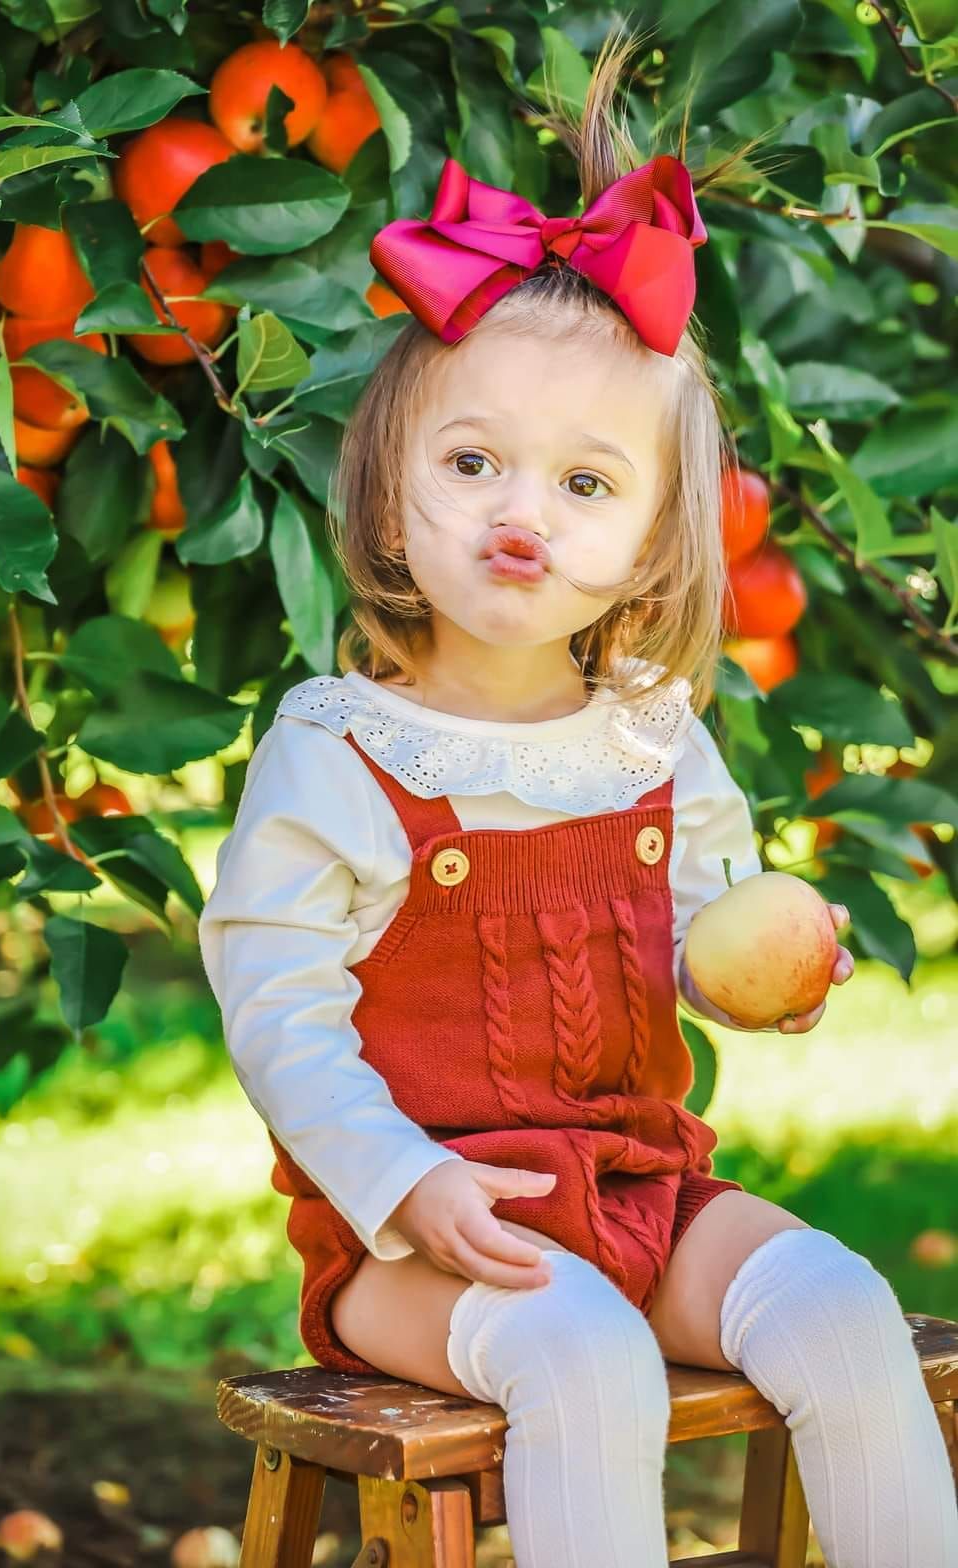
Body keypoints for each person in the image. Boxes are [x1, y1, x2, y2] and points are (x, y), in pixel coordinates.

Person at [198, 30, 958, 1568]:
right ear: (391, 488)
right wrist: (404, 1182)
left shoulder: (649, 740)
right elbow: (275, 1004)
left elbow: (702, 936)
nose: (521, 514)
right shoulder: (344, 748)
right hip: (421, 1238)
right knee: (584, 1358)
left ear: (661, 540)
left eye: (586, 484)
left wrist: (768, 970)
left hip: (635, 1188)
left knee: (842, 1313)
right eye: (474, 461)